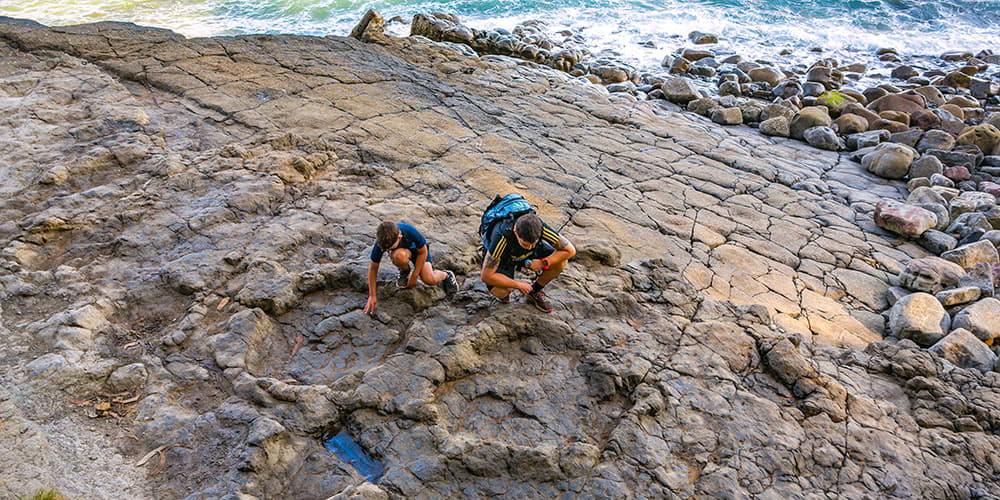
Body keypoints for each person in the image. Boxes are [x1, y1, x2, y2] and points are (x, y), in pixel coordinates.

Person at [480, 195, 575, 313]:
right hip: (505, 257)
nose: (530, 247)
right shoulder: (501, 237)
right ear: (515, 232)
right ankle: (508, 287)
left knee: (561, 262)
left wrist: (544, 262)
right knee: (502, 290)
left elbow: (570, 250)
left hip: (526, 255)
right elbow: (486, 276)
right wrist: (518, 284)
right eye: (525, 244)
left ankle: (533, 292)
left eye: (533, 243)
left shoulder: (538, 226)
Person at [363, 221, 458, 314]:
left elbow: (423, 251)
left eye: (390, 248)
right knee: (398, 256)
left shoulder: (409, 231)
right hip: (402, 253)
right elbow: (373, 268)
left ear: (399, 237)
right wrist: (372, 295)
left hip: (419, 253)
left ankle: (446, 275)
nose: (387, 251)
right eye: (386, 249)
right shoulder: (382, 241)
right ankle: (405, 271)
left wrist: (415, 275)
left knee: (429, 279)